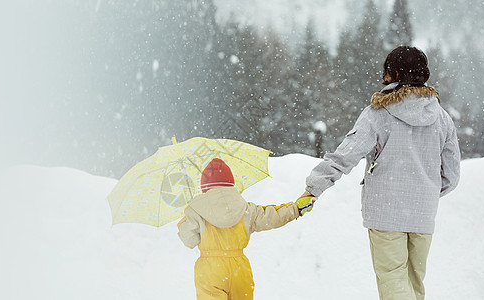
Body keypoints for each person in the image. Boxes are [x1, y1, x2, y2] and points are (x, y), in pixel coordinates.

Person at [299, 46, 461, 300]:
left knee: (394, 284)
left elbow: (345, 155)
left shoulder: (378, 114)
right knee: (414, 286)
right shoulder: (442, 118)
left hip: (385, 212)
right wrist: (423, 191)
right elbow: (451, 175)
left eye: (386, 70)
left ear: (394, 73)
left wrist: (313, 187)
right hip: (423, 214)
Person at [178, 158, 314, 300]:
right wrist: (296, 208)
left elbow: (190, 240)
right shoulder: (246, 209)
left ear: (204, 186)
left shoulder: (196, 210)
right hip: (239, 269)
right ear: (230, 183)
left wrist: (185, 220)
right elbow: (272, 216)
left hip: (210, 270)